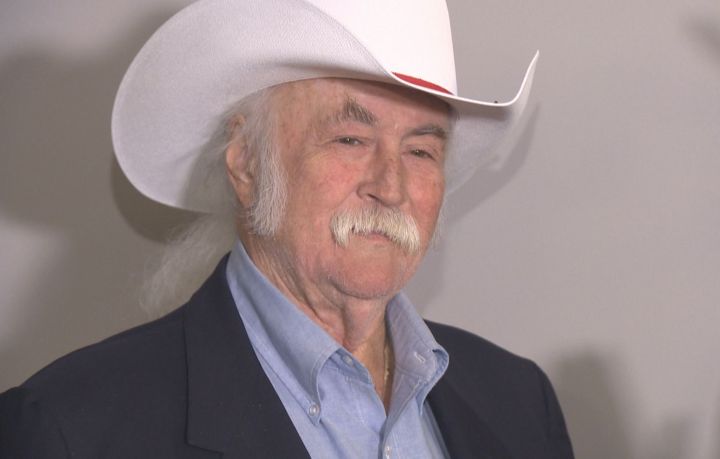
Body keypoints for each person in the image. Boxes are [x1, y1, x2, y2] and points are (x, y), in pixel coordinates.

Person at [0, 0, 573, 457]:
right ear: (246, 164)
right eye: (350, 139)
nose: (391, 187)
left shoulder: (521, 403)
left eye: (421, 151)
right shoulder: (71, 430)